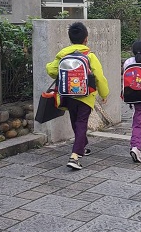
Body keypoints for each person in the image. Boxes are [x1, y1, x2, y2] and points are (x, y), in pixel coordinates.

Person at [46, 22, 110, 170]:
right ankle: (75, 156)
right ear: (86, 39)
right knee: (81, 123)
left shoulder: (63, 55)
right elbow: (99, 77)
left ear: (70, 39)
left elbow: (51, 70)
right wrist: (104, 93)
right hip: (85, 97)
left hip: (67, 96)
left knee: (76, 122)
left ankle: (82, 146)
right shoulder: (90, 56)